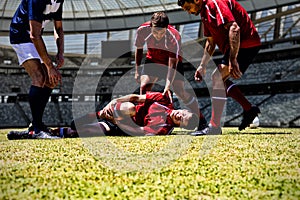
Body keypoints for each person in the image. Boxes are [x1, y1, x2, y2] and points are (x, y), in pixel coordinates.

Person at [177, 0, 261, 135]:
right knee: (220, 80)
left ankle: (214, 127)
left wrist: (233, 59)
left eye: (188, 7)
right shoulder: (204, 13)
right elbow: (210, 42)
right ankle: (249, 109)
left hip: (245, 43)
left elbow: (234, 28)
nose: (188, 11)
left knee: (216, 78)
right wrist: (202, 65)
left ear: (197, 0)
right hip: (235, 46)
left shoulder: (214, 3)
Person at [7, 92, 199, 139]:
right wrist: (112, 103)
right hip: (114, 111)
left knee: (78, 132)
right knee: (130, 107)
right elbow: (134, 97)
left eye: (182, 119)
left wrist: (117, 121)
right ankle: (43, 129)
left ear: (180, 125)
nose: (180, 114)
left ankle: (33, 134)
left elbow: (139, 131)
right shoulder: (163, 100)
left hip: (119, 125)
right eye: (184, 113)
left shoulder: (164, 129)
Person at [134, 11, 207, 131]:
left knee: (179, 91)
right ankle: (143, 119)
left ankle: (201, 120)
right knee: (144, 86)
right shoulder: (142, 30)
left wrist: (167, 86)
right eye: (155, 31)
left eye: (161, 32)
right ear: (150, 26)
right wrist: (137, 70)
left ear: (167, 28)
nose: (158, 35)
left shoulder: (175, 36)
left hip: (171, 63)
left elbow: (172, 64)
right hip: (153, 60)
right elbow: (139, 50)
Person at [9, 0, 65, 139]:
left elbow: (58, 29)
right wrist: (50, 66)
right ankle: (37, 128)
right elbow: (34, 35)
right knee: (39, 77)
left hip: (33, 37)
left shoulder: (59, 0)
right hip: (21, 35)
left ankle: (35, 126)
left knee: (51, 81)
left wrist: (60, 53)